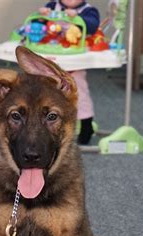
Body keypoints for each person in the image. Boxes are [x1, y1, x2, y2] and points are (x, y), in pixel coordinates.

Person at [40, 0, 100, 145]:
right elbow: (38, 27)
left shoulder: (89, 11)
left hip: (75, 61)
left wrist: (78, 18)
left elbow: (92, 26)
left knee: (80, 94)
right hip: (52, 58)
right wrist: (41, 17)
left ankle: (86, 126)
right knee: (46, 95)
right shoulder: (52, 6)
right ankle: (44, 128)